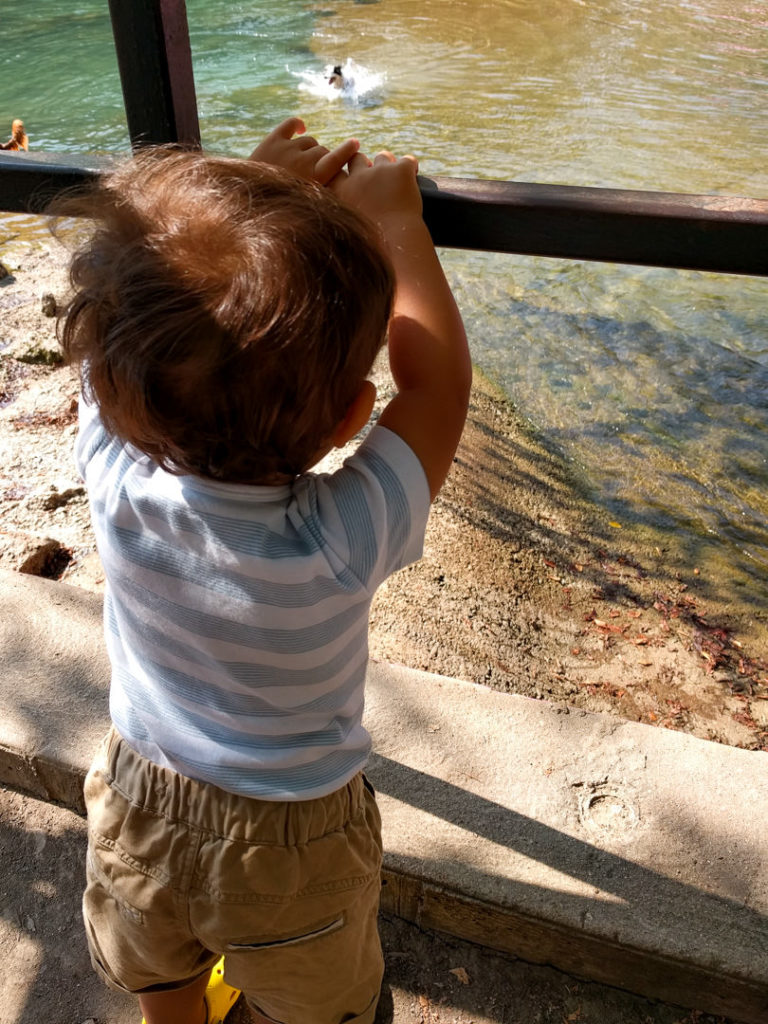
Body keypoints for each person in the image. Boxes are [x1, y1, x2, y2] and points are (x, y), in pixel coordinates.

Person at [59, 117, 471, 1024]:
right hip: (293, 844)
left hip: (139, 795)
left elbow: (116, 322)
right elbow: (437, 389)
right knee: (313, 1004)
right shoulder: (341, 537)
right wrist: (398, 222)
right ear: (348, 420)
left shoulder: (113, 471)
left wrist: (240, 187)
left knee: (158, 969)